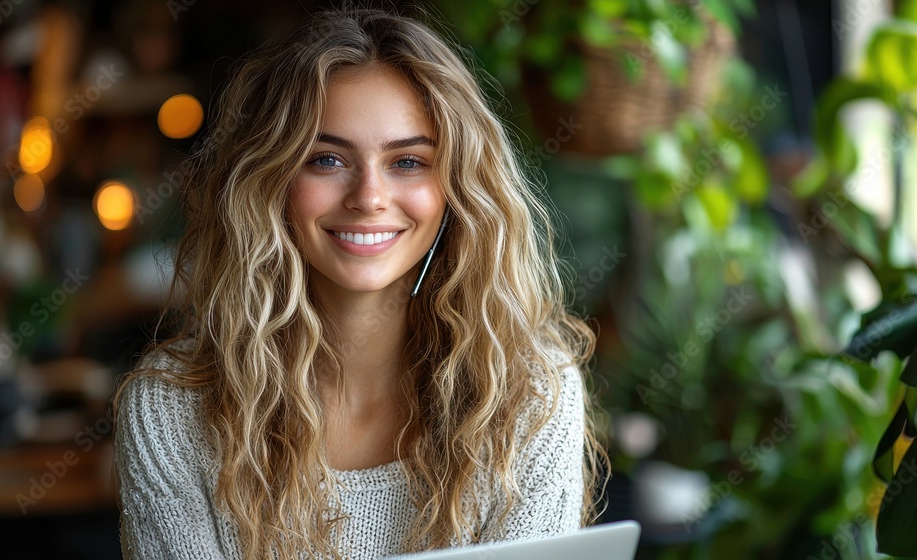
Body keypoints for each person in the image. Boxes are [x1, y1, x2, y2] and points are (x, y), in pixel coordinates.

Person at [113, 7, 607, 560]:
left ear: (458, 187)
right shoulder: (172, 410)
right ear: (269, 180)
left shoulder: (530, 395)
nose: (369, 197)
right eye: (326, 159)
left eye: (408, 162)